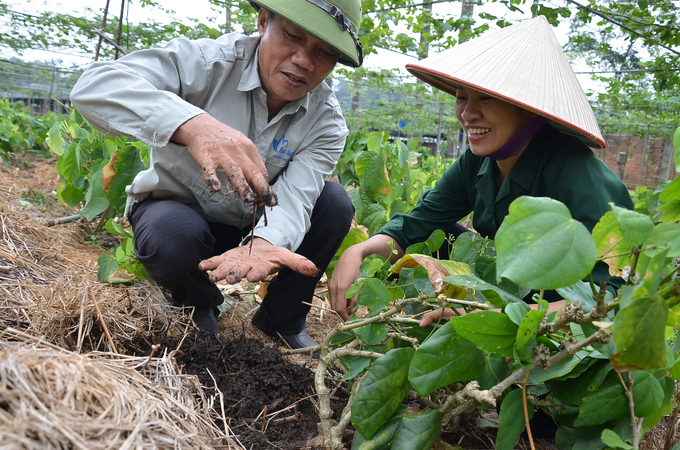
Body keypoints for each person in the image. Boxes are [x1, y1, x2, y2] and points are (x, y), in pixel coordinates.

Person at [70, 0, 364, 349]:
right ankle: (198, 304)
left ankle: (281, 317)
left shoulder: (325, 121)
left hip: (255, 227)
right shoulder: (206, 64)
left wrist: (265, 245)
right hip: (182, 215)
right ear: (263, 20)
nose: (303, 60)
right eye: (292, 36)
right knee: (171, 235)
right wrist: (192, 125)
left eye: (325, 52)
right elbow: (93, 86)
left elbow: (298, 198)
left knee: (334, 203)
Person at [328, 15, 634, 325]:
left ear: (527, 108)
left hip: (555, 316)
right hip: (509, 292)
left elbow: (611, 297)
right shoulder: (476, 162)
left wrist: (494, 316)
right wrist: (360, 252)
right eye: (462, 98)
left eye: (486, 98)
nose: (468, 113)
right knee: (436, 240)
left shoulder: (576, 174)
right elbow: (417, 226)